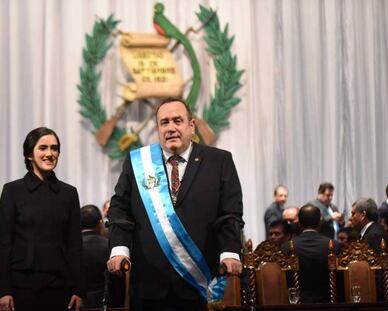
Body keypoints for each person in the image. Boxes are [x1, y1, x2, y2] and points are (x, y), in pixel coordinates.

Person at [106, 99, 244, 310]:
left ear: (192, 125)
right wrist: (119, 248)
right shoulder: (138, 162)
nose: (171, 128)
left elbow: (229, 213)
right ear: (158, 128)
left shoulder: (219, 161)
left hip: (199, 285)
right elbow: (119, 210)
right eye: (164, 122)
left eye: (177, 121)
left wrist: (230, 252)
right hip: (148, 286)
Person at [0, 127, 84, 311]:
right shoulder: (12, 191)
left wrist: (79, 289)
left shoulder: (69, 193)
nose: (50, 153)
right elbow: (4, 243)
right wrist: (3, 290)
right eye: (43, 148)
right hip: (20, 286)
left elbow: (75, 245)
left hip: (60, 286)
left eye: (54, 148)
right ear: (29, 155)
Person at [282, 204, 339, 303]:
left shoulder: (287, 247)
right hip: (328, 303)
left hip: (297, 304)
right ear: (320, 222)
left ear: (299, 223)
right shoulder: (333, 245)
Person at [81, 204, 125, 308]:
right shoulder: (110, 246)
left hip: (78, 301)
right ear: (100, 223)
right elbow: (117, 280)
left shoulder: (72, 248)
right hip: (105, 302)